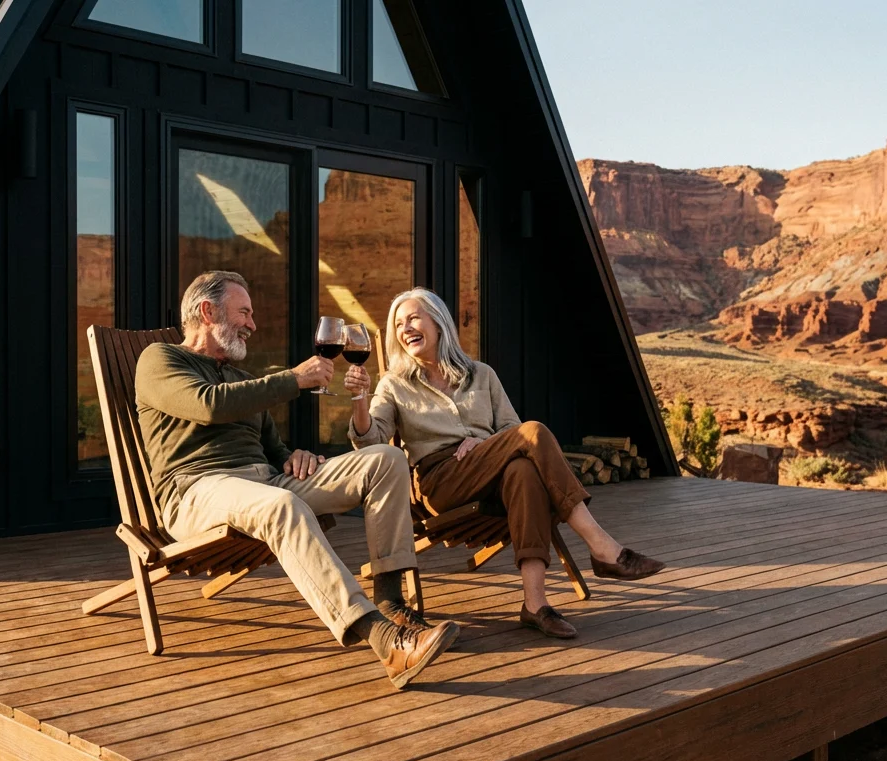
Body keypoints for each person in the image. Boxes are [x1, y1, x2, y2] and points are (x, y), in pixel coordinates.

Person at [135, 271, 458, 688]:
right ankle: (383, 638)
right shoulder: (161, 359)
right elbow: (208, 406)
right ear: (207, 311)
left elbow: (275, 450)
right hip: (198, 489)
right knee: (284, 507)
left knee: (386, 459)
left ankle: (392, 601)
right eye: (244, 312)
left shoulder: (240, 378)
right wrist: (294, 379)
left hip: (265, 483)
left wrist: (295, 458)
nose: (252, 324)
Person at [345, 288, 665, 639]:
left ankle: (535, 604)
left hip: (493, 474)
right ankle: (602, 546)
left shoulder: (481, 374)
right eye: (399, 324)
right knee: (534, 432)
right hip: (440, 480)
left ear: (438, 323)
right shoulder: (394, 384)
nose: (406, 328)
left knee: (524, 471)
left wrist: (485, 444)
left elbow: (510, 429)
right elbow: (370, 442)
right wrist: (361, 398)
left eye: (413, 318)